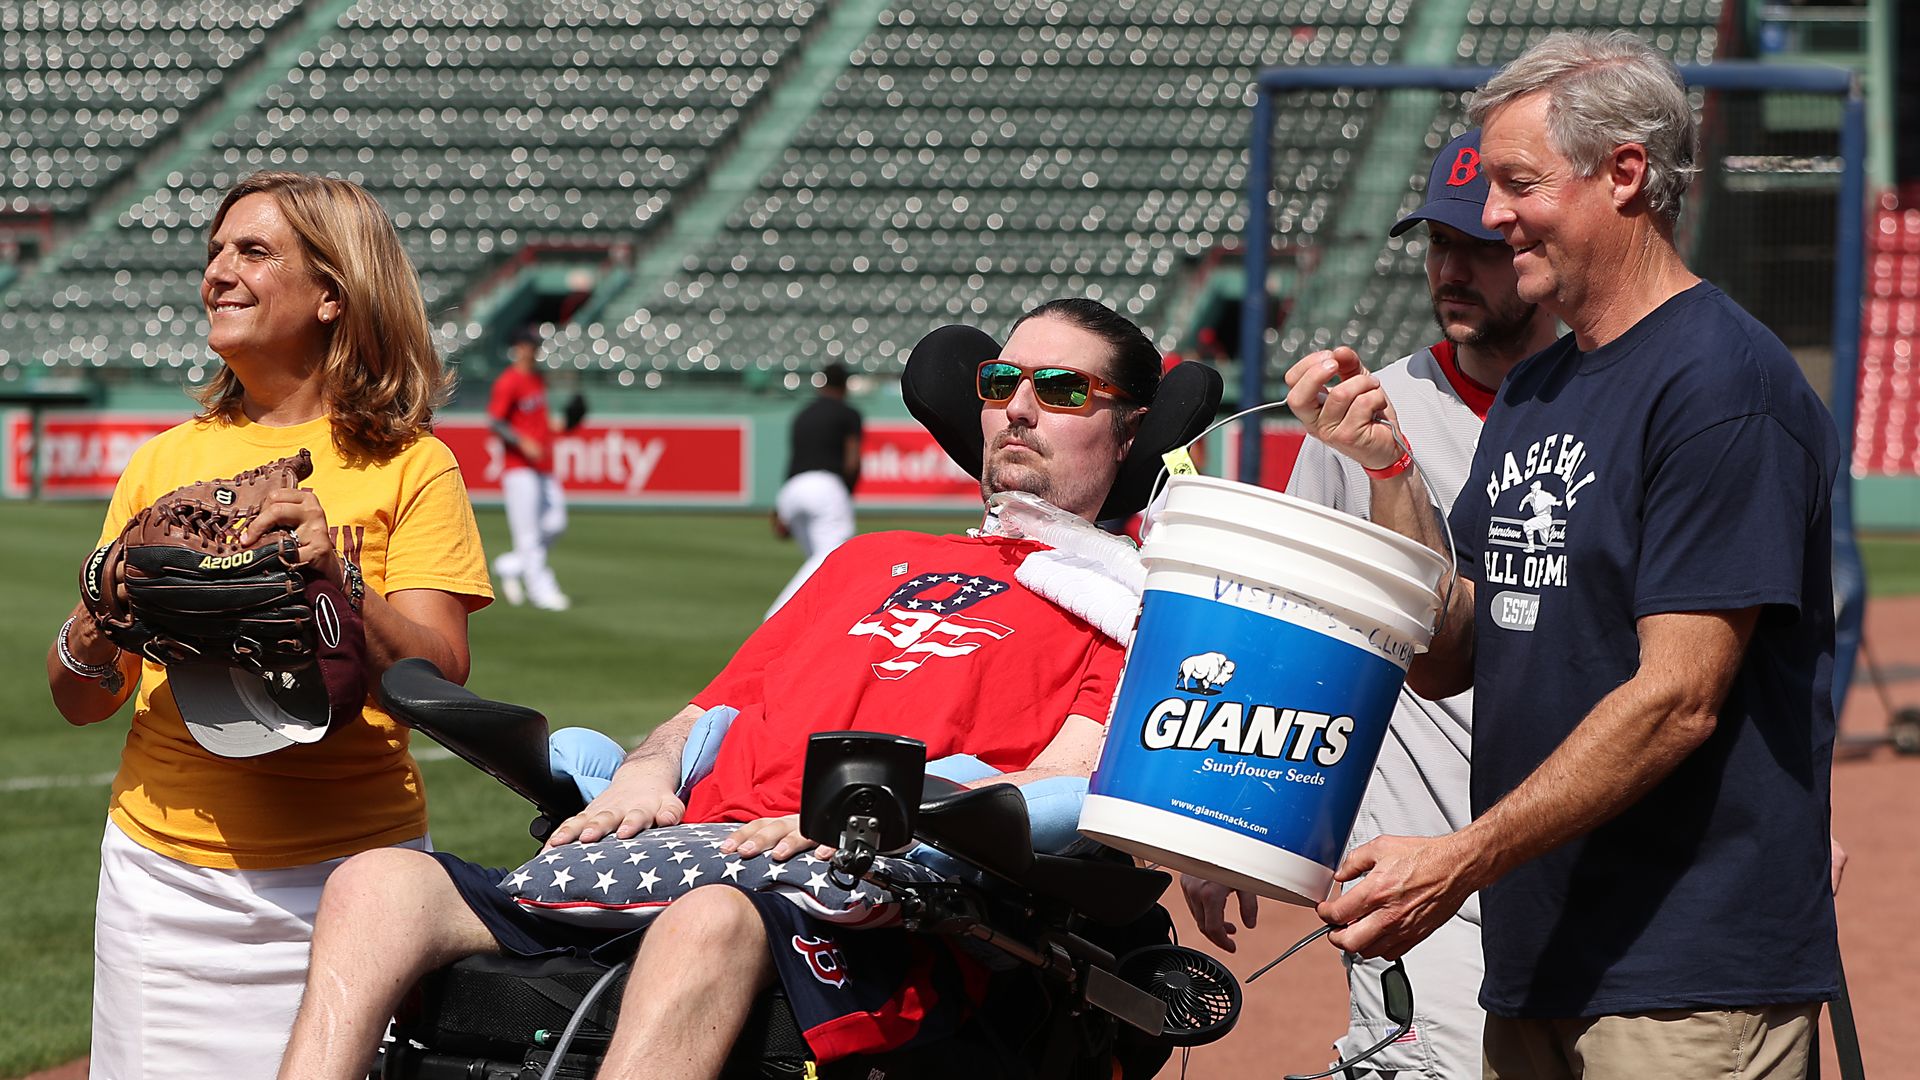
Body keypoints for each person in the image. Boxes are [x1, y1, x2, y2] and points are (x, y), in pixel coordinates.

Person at [276, 298, 1206, 1080]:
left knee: (709, 921)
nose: (1020, 410)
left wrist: (878, 811)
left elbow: (1068, 783)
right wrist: (645, 775)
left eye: (1062, 389)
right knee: (379, 883)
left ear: (1128, 430)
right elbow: (703, 718)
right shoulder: (866, 558)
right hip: (691, 851)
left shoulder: (1131, 610)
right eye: (1002, 385)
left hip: (875, 899)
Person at [1282, 31, 1841, 1078]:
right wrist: (1391, 466)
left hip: (1683, 975)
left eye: (1517, 183)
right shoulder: (1547, 388)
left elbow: (1679, 697)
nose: (1490, 216)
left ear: (1625, 173)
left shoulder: (1722, 384)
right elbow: (1454, 652)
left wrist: (1458, 858)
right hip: (1542, 951)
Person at [45, 170, 492, 1079]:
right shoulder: (165, 461)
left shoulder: (416, 465)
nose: (219, 271)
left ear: (334, 292)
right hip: (161, 877)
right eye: (215, 252)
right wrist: (100, 613)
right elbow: (80, 702)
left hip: (352, 886)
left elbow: (440, 681)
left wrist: (339, 581)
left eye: (253, 252)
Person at [1183, 128, 1561, 1080]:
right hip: (1420, 864)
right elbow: (1294, 636)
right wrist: (1222, 821)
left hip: (1585, 842)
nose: (1450, 268)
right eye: (1438, 242)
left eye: (1481, 245)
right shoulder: (1364, 420)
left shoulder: (1614, 405)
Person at [766, 361, 863, 618]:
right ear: (844, 386)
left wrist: (780, 510)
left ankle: (816, 622)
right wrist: (845, 492)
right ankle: (778, 616)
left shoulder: (803, 414)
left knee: (821, 566)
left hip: (792, 491)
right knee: (836, 556)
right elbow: (852, 461)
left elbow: (796, 460)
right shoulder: (848, 413)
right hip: (825, 488)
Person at [489, 324, 572, 611]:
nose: (533, 350)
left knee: (556, 522)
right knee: (529, 535)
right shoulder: (509, 381)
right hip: (519, 467)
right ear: (519, 347)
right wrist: (522, 442)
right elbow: (496, 421)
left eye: (535, 345)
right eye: (529, 345)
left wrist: (563, 425)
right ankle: (541, 590)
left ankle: (510, 565)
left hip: (542, 465)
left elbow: (539, 420)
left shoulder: (538, 380)